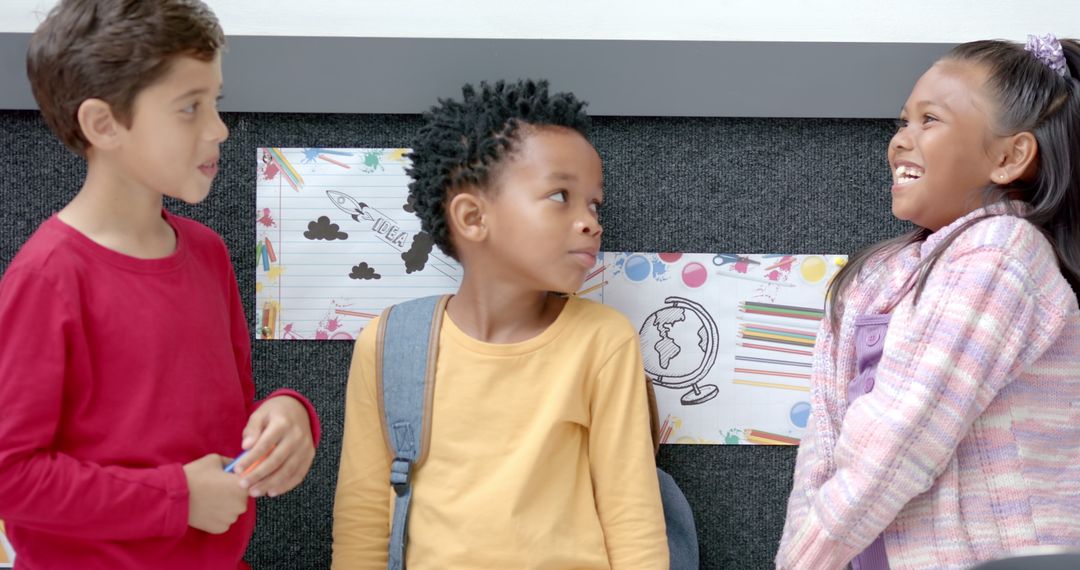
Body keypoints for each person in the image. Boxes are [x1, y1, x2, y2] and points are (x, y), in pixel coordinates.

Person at [0, 1, 320, 567]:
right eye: (189, 108)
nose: (219, 128)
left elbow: (227, 415)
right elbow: (12, 475)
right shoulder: (47, 278)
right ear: (103, 124)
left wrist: (289, 414)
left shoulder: (208, 253)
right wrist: (176, 499)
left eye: (214, 102)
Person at [332, 79, 669, 568]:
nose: (591, 222)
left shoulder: (603, 341)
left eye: (594, 204)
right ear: (472, 217)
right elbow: (362, 522)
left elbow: (632, 521)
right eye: (560, 196)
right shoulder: (388, 343)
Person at [777, 35, 1080, 570]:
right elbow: (822, 445)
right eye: (902, 122)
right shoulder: (872, 275)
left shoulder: (1001, 254)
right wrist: (801, 551)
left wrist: (804, 561)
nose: (900, 141)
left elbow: (904, 435)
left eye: (929, 121)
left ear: (1010, 157)